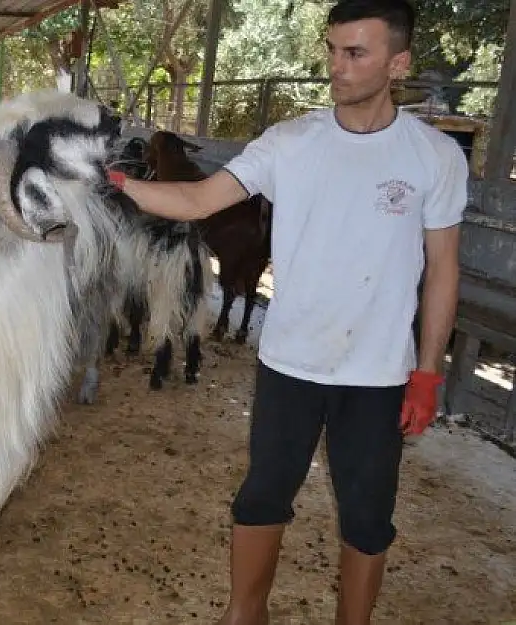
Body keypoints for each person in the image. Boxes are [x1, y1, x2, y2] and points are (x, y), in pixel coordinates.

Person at [105, 1, 467, 623]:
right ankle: (244, 615)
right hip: (289, 365)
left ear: (398, 63)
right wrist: (119, 184)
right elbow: (196, 200)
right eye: (332, 50)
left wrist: (428, 371)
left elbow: (443, 269)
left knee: (367, 516)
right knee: (262, 497)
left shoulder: (433, 156)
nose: (338, 67)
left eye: (356, 53)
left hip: (377, 374)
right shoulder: (291, 142)